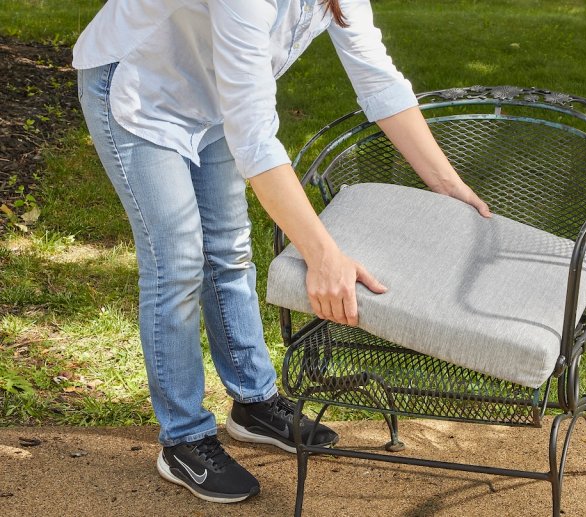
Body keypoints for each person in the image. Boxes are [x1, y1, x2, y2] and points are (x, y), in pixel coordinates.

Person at [73, 0, 490, 504]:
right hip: (138, 88)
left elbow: (378, 80)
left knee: (229, 252)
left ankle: (253, 403)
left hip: (214, 96)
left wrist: (448, 186)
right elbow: (255, 141)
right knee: (178, 263)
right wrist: (323, 254)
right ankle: (183, 438)